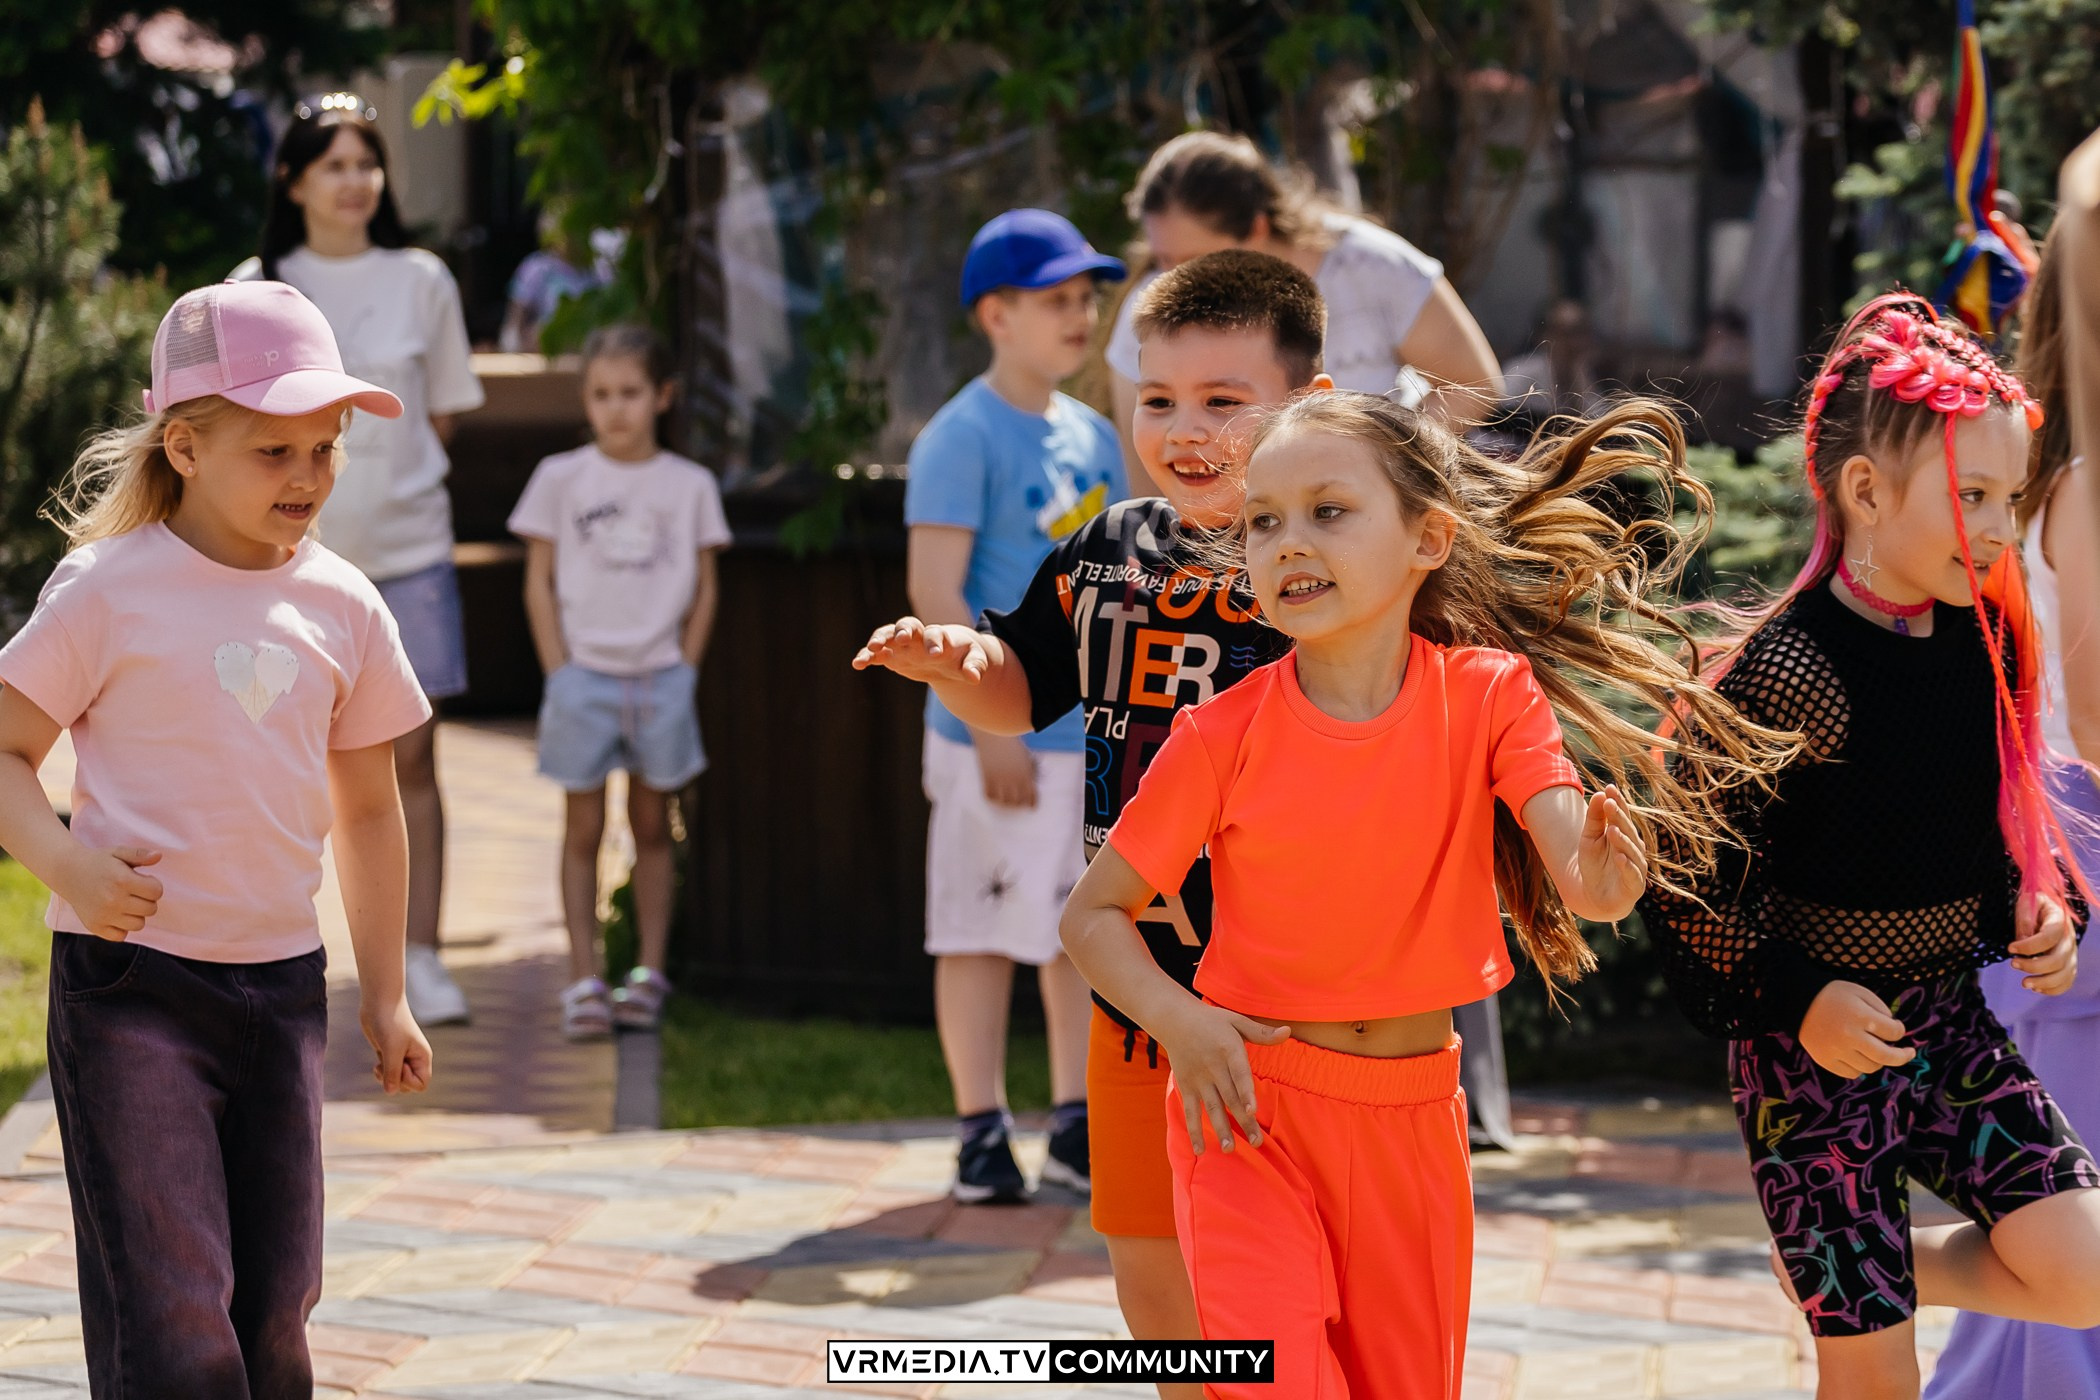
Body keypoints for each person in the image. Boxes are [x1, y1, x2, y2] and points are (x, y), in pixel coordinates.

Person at [1058, 390, 1786, 1397]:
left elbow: (1578, 863)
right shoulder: (1217, 737)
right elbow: (1090, 916)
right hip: (1244, 1119)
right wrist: (1181, 1022)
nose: (1286, 540)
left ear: (1428, 537)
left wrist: (1607, 882)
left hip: (1411, 1122)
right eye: (1263, 519)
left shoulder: (1489, 694)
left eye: (1329, 509)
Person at [858, 248, 1331, 1395]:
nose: (1183, 427)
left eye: (1225, 400)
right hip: (1137, 992)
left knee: (1283, 1288)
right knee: (1149, 1269)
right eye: (1157, 398)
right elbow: (1021, 678)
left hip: (1290, 1003)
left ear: (1307, 408)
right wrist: (954, 662)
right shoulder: (1111, 551)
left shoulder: (1328, 561)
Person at [1640, 292, 2100, 1400]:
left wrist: (2041, 915)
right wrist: (1800, 997)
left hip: (1951, 1031)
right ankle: (1865, 1286)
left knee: (2087, 1275)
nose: (1998, 526)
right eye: (1971, 495)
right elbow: (1685, 875)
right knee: (1873, 1379)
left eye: (2007, 495)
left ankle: (1904, 1268)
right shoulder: (1793, 670)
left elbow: (1961, 827)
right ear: (1864, 491)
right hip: (1815, 1068)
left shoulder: (1981, 637)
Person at [0, 281, 435, 1396]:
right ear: (185, 446)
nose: (308, 476)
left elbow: (373, 809)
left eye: (326, 447)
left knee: (276, 1310)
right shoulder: (109, 587)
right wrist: (64, 863)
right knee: (175, 1309)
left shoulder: (346, 605)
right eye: (275, 449)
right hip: (132, 991)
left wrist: (385, 994)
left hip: (283, 988)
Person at [235, 92, 486, 1027]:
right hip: (284, 565)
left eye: (365, 163)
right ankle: (274, 949)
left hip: (411, 555)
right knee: (271, 753)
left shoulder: (425, 278)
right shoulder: (258, 285)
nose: (354, 182)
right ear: (294, 179)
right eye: (333, 164)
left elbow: (444, 413)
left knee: (409, 764)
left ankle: (418, 956)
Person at [898, 208, 1127, 1203]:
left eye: (1086, 297)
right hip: (992, 739)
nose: (1079, 315)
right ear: (995, 314)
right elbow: (936, 590)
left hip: (1084, 741)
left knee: (1076, 932)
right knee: (981, 932)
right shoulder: (960, 435)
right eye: (1056, 299)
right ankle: (981, 1128)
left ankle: (1075, 1122)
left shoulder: (1097, 435)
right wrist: (991, 714)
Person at [1925, 231, 2100, 1397]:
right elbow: (2094, 712)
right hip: (2075, 884)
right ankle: (1860, 1250)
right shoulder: (2084, 485)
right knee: (2066, 1273)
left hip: (2057, 873)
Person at [508, 325, 729, 1036]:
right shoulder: (559, 478)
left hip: (662, 679)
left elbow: (705, 587)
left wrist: (686, 670)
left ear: (662, 396)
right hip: (584, 682)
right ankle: (583, 977)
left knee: (651, 828)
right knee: (582, 829)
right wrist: (559, 671)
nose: (616, 408)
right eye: (601, 394)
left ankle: (649, 972)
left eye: (631, 392)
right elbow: (537, 581)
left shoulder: (688, 485)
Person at [1105, 131, 1500, 432]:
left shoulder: (1373, 267)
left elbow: (1473, 384)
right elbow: (1146, 472)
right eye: (1161, 259)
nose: (1173, 278)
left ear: (1258, 229)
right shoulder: (1148, 307)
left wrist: (1382, 463)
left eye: (1193, 260)